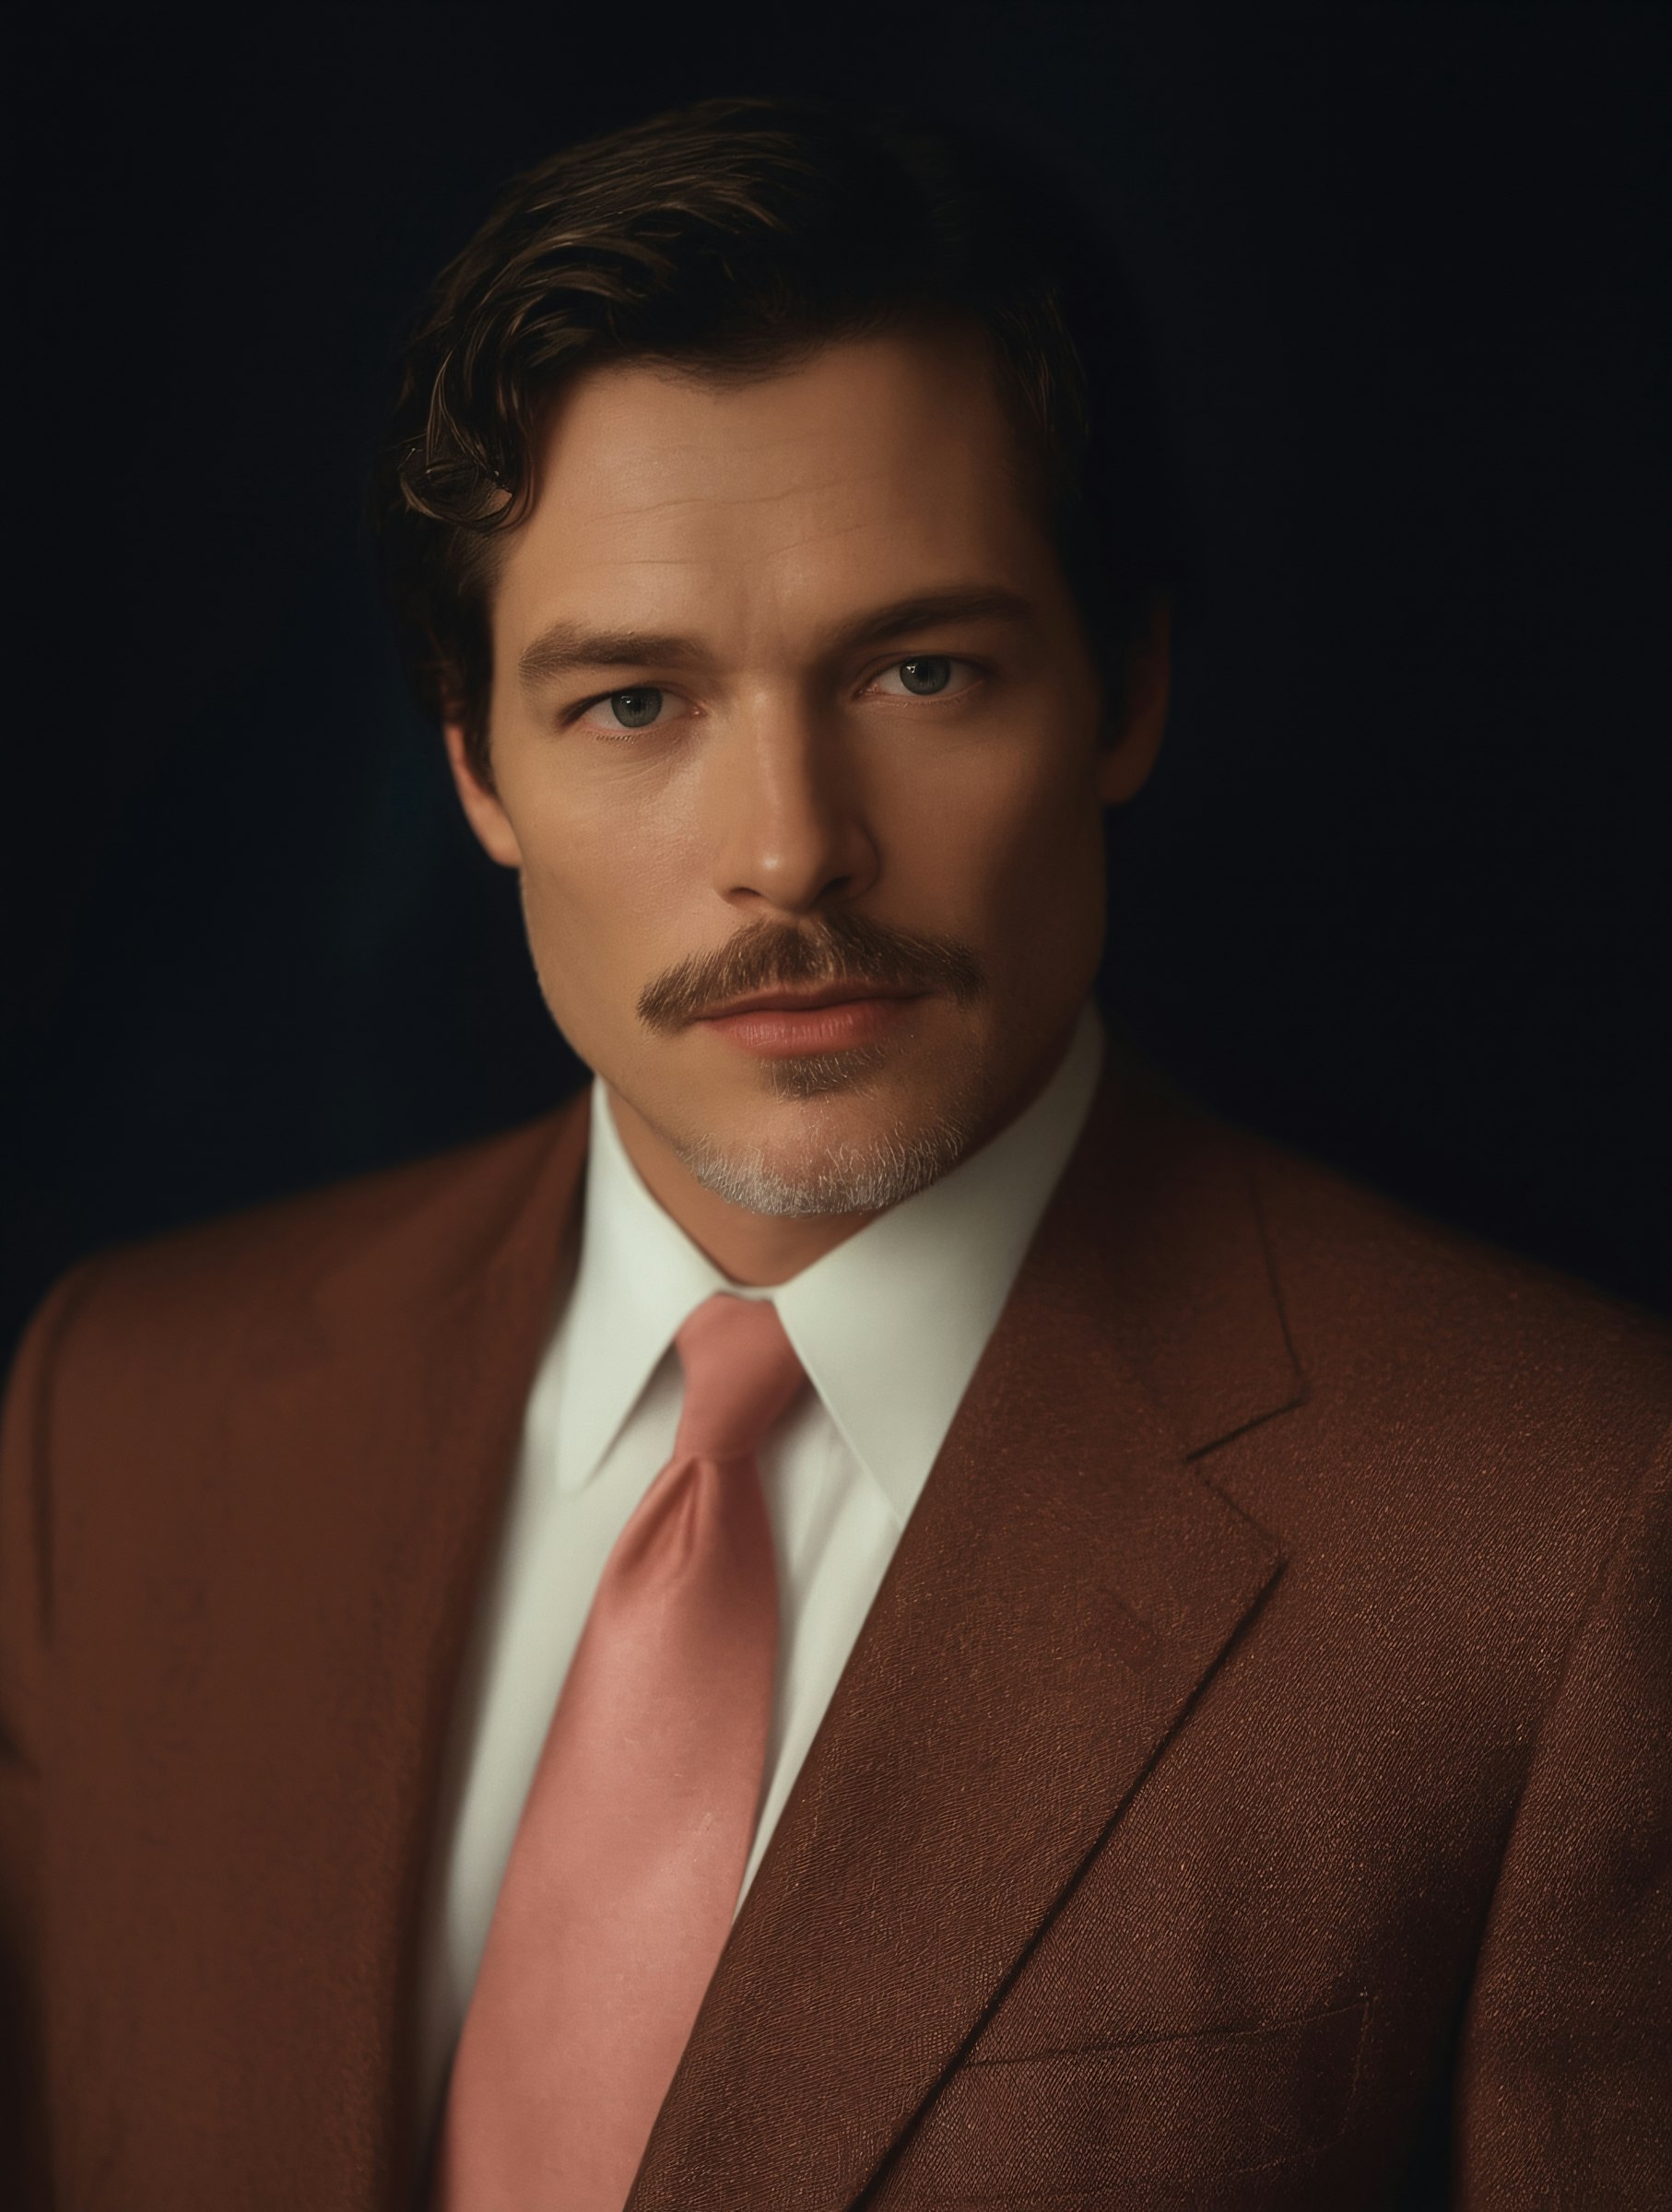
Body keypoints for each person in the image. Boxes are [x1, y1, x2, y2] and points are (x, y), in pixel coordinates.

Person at [1, 93, 1666, 2212]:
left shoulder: (1571, 1525)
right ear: (473, 767)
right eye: (633, 704)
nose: (790, 847)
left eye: (918, 667)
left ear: (1124, 689)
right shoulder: (114, 1420)